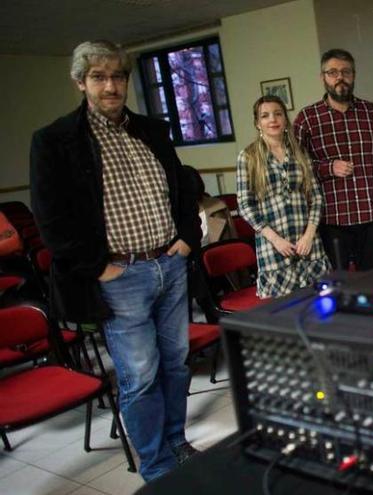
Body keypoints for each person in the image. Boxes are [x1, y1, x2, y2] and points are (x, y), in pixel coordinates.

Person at [29, 40, 201, 481]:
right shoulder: (55, 141)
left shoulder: (152, 130)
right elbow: (51, 219)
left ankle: (177, 441)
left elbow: (182, 186)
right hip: (119, 276)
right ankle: (157, 463)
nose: (111, 86)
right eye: (99, 77)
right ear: (80, 82)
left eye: (118, 76)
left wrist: (185, 240)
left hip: (169, 262)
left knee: (176, 361)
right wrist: (100, 268)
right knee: (140, 374)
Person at [293, 49, 373, 271]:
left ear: (354, 75)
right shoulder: (307, 119)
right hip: (331, 219)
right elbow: (296, 168)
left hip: (371, 215)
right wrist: (328, 167)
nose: (340, 77)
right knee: (340, 284)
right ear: (323, 78)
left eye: (345, 72)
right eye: (332, 72)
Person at [236, 95, 331, 298]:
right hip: (274, 246)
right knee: (286, 312)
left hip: (307, 244)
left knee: (319, 306)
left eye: (278, 114)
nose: (273, 119)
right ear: (257, 123)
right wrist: (276, 240)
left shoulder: (300, 153)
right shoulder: (248, 157)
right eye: (265, 115)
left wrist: (309, 235)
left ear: (286, 120)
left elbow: (316, 198)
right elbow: (245, 205)